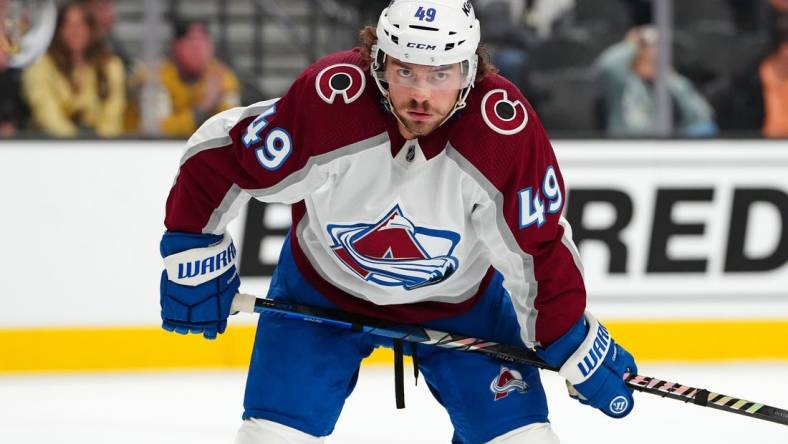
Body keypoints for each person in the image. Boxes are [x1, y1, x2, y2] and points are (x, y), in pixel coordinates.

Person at [159, 1, 638, 442]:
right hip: (320, 293)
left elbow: (536, 248)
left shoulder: (502, 131)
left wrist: (569, 336)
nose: (421, 96)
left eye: (441, 74)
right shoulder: (333, 101)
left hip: (461, 307)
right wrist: (194, 248)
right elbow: (222, 157)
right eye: (405, 71)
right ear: (377, 61)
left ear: (471, 71)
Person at [21, 1, 125, 137]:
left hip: (101, 148)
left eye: (81, 25)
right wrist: (75, 143)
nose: (75, 31)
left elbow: (112, 117)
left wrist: (99, 145)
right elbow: (47, 115)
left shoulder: (110, 66)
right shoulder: (40, 65)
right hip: (51, 146)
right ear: (58, 30)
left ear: (91, 29)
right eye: (68, 25)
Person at [594, 26, 718, 137]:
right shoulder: (621, 82)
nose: (653, 60)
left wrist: (674, 80)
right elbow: (606, 65)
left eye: (657, 59)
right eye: (646, 58)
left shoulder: (669, 85)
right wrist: (633, 44)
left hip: (658, 151)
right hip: (622, 149)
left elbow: (702, 117)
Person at [155, 19, 240, 137]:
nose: (200, 52)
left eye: (205, 44)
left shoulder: (221, 77)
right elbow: (160, 131)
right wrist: (203, 108)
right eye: (192, 45)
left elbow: (232, 129)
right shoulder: (158, 78)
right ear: (176, 47)